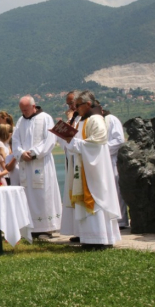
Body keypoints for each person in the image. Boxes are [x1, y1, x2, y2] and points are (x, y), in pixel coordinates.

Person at [62, 91, 121, 249]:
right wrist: (70, 140)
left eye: (78, 105)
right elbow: (79, 143)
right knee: (85, 203)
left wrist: (72, 141)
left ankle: (101, 239)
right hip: (83, 167)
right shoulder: (82, 120)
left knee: (96, 202)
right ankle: (89, 239)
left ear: (88, 104)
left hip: (95, 169)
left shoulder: (96, 120)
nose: (76, 108)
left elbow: (96, 144)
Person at [12, 95, 62, 238]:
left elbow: (50, 139)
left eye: (26, 109)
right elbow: (15, 141)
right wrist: (21, 153)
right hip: (25, 165)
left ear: (34, 106)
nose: (24, 112)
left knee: (43, 194)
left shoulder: (46, 118)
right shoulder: (20, 121)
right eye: (22, 110)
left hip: (41, 163)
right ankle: (31, 227)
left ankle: (46, 228)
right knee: (28, 195)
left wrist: (33, 153)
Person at [59, 90, 82, 241]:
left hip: (80, 161)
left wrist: (69, 122)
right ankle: (76, 230)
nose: (70, 107)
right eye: (68, 104)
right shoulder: (74, 119)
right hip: (71, 160)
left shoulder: (82, 119)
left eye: (71, 103)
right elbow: (65, 143)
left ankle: (82, 231)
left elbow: (76, 138)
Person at [103, 107, 128, 228]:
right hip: (100, 161)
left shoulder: (111, 119)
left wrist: (101, 150)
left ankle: (120, 220)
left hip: (111, 160)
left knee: (116, 190)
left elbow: (119, 140)